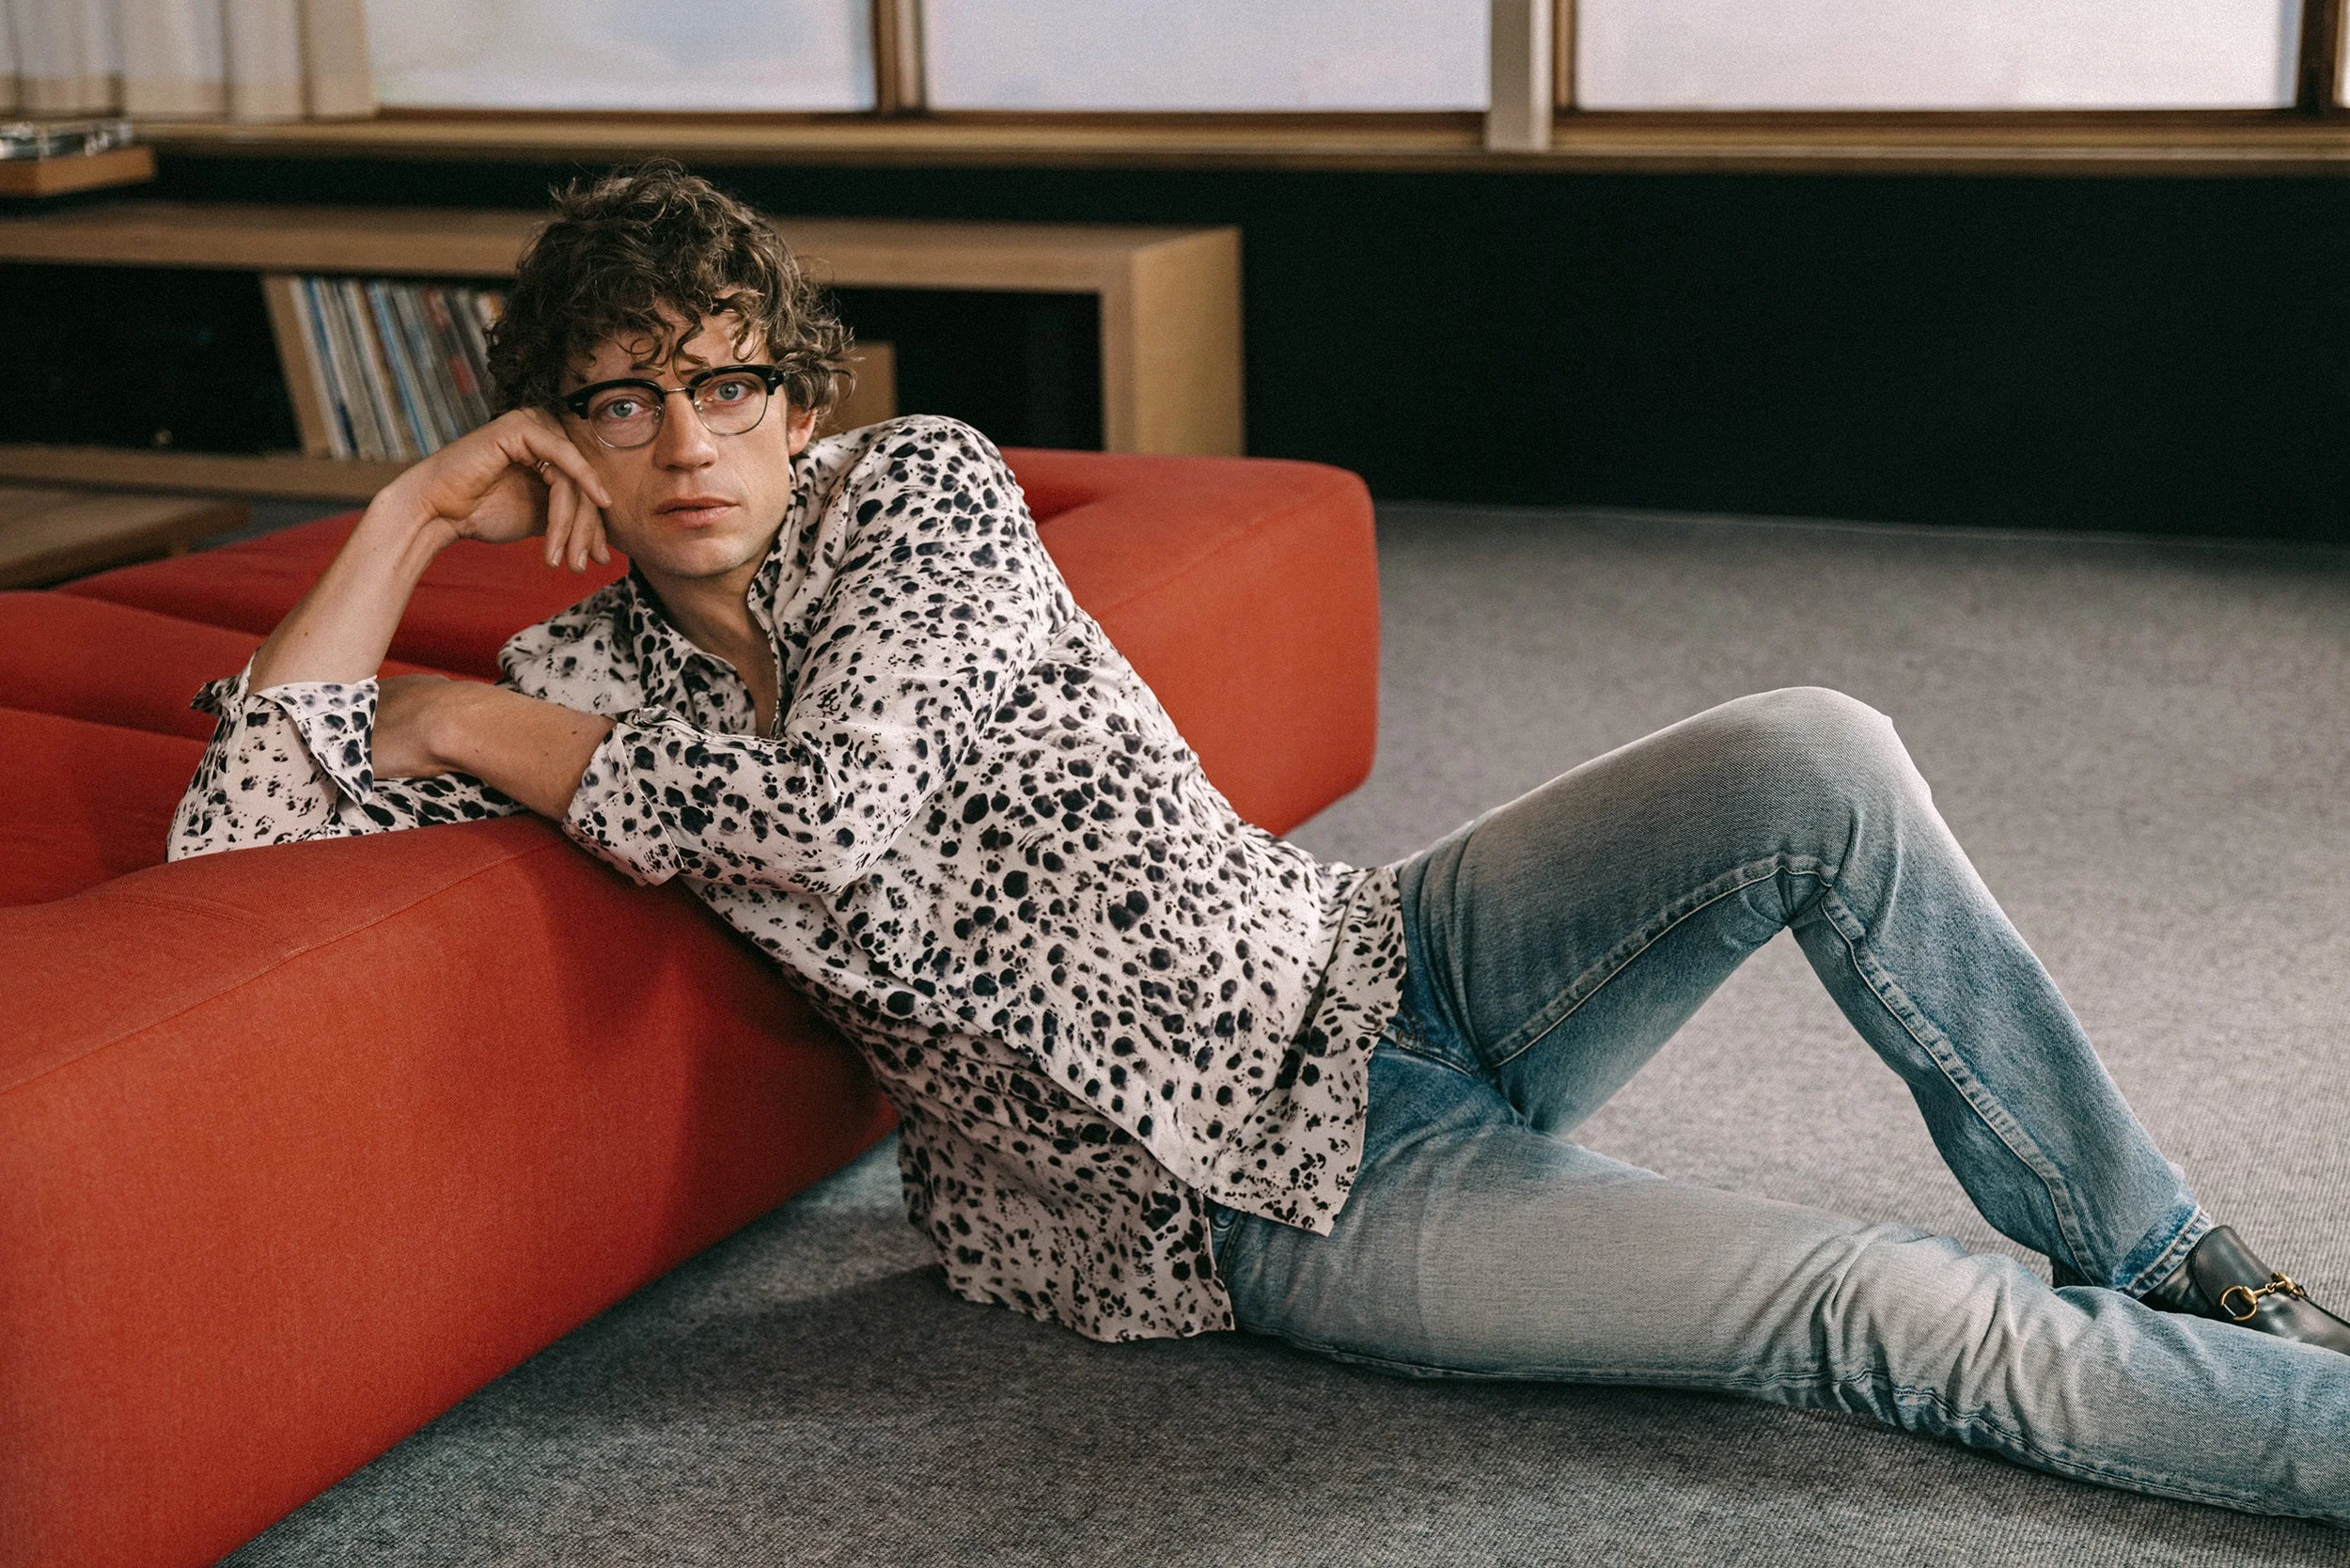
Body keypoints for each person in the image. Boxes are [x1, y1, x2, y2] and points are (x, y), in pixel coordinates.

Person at [167, 162, 2350, 1526]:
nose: (688, 441)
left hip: (1376, 958)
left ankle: (2170, 1254)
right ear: (557, 426)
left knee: (1814, 750)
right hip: (1252, 1207)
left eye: (729, 382)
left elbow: (834, 819)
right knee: (1882, 1311)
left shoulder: (911, 492)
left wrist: (464, 719)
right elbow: (231, 828)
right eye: (621, 399)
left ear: (799, 397)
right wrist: (408, 515)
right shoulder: (576, 676)